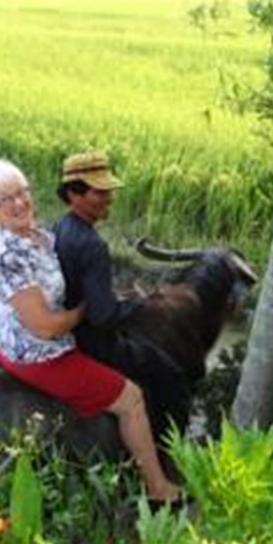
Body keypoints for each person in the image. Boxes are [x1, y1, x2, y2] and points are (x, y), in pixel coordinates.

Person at [0, 159, 181, 504]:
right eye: (5, 200)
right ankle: (158, 487)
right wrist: (84, 310)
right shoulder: (8, 256)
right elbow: (45, 327)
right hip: (39, 351)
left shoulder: (38, 233)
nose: (19, 203)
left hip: (6, 336)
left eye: (22, 192)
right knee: (132, 399)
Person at [52, 151, 191, 448]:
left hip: (67, 331)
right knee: (171, 376)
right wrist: (144, 303)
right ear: (74, 194)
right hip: (91, 340)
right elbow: (103, 316)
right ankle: (167, 451)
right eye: (99, 192)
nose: (109, 199)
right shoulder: (93, 245)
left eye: (109, 191)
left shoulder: (60, 228)